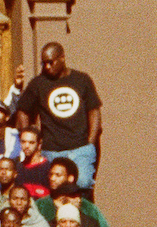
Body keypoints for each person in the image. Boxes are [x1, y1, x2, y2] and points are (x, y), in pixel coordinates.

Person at [14, 42, 102, 192]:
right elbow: (23, 110)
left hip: (80, 147)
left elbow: (94, 111)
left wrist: (90, 143)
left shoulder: (82, 80)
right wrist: (29, 134)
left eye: (50, 62)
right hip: (51, 149)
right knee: (52, 187)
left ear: (62, 58)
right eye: (44, 63)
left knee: (83, 182)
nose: (47, 67)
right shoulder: (38, 83)